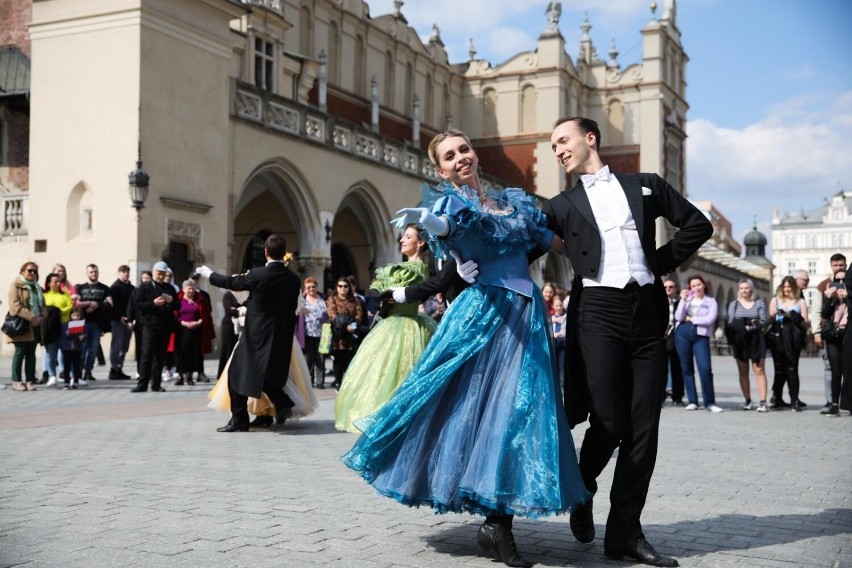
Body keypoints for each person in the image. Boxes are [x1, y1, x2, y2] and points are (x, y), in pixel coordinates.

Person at [343, 129, 589, 568]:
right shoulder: (449, 204)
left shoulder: (513, 201)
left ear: (474, 154)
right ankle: (498, 523)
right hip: (483, 312)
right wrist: (433, 222)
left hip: (526, 316)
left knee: (520, 411)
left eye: (464, 149)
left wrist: (605, 248)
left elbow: (555, 242)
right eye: (449, 156)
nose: (460, 158)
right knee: (471, 406)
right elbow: (448, 226)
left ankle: (497, 522)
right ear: (440, 170)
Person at [542, 117, 711, 567]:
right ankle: (582, 487)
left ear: (589, 138)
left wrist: (658, 262)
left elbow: (697, 224)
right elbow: (519, 246)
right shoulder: (560, 205)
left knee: (644, 431)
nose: (557, 149)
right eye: (552, 145)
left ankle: (625, 534)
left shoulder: (646, 185)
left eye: (563, 140)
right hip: (597, 311)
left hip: (647, 313)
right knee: (610, 420)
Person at [334, 225, 437, 433]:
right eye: (403, 237)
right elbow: (379, 286)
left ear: (421, 242)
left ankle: (398, 422)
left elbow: (388, 290)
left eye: (408, 237)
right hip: (391, 323)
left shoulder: (418, 269)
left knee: (400, 374)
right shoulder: (400, 268)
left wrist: (382, 291)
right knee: (381, 375)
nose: (402, 240)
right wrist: (378, 290)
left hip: (407, 324)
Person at [195, 233, 302, 433]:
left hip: (257, 335)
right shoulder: (293, 279)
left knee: (236, 374)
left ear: (265, 252)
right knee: (266, 375)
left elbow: (230, 283)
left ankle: (240, 420)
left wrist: (208, 274)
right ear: (283, 253)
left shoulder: (257, 274)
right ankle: (283, 403)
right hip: (280, 335)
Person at [674, 275, 722, 413]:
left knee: (705, 368)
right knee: (686, 368)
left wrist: (691, 318)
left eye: (698, 285)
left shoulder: (711, 301)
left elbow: (710, 319)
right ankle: (692, 401)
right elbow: (678, 317)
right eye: (693, 286)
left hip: (701, 335)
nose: (696, 288)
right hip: (682, 333)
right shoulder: (687, 300)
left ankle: (710, 402)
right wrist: (683, 300)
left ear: (704, 285)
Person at [131, 261, 176, 393]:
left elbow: (178, 305)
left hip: (164, 326)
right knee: (147, 354)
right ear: (153, 272)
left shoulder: (169, 288)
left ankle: (156, 384)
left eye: (163, 274)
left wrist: (171, 301)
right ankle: (142, 384)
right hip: (149, 326)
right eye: (158, 273)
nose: (161, 276)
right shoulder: (144, 287)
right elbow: (138, 305)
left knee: (160, 356)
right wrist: (153, 303)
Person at [726, 278, 768, 412]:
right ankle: (748, 400)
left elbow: (763, 321)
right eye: (741, 288)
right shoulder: (734, 304)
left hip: (756, 339)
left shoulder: (759, 303)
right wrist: (743, 326)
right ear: (739, 290)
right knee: (743, 372)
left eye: (746, 288)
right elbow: (730, 322)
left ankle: (762, 402)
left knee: (759, 370)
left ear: (751, 289)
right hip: (740, 340)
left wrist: (751, 327)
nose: (744, 290)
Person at [768, 276, 809, 411]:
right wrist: (773, 314)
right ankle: (777, 398)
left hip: (793, 338)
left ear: (794, 288)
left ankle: (794, 399)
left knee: (792, 369)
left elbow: (805, 323)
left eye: (789, 287)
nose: (786, 289)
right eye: (784, 286)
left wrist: (791, 315)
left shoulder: (800, 301)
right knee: (779, 369)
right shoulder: (775, 300)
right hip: (777, 338)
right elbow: (769, 318)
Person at [6, 262, 46, 391]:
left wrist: (41, 317)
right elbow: (15, 305)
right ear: (23, 271)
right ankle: (16, 380)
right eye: (30, 271)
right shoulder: (16, 285)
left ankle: (29, 380)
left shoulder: (37, 287)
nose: (33, 273)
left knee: (31, 353)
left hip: (35, 325)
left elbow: (43, 306)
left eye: (35, 271)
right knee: (19, 352)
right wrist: (31, 317)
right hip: (22, 324)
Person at [815, 254, 846, 409]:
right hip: (832, 333)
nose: (839, 268)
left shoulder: (850, 284)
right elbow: (822, 313)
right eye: (835, 265)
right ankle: (834, 403)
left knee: (849, 371)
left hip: (848, 332)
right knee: (835, 370)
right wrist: (829, 297)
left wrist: (848, 295)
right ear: (831, 266)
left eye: (841, 265)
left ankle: (847, 403)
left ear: (846, 265)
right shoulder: (825, 285)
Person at [75, 264, 113, 383]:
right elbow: (76, 303)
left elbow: (110, 304)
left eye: (95, 272)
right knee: (82, 349)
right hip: (82, 323)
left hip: (97, 324)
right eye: (91, 272)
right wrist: (89, 303)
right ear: (87, 273)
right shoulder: (80, 288)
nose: (94, 274)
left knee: (93, 349)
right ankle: (78, 372)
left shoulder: (104, 288)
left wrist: (97, 305)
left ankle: (88, 372)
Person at [326, 277, 363, 390]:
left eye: (345, 286)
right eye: (340, 286)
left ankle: (347, 384)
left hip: (351, 335)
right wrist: (345, 324)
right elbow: (332, 315)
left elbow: (359, 316)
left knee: (349, 360)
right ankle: (338, 383)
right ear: (336, 287)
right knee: (338, 360)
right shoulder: (333, 299)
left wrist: (351, 326)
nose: (343, 288)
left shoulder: (355, 300)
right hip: (337, 335)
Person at [42, 272, 74, 387]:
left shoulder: (65, 294)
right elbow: (42, 309)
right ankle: (51, 376)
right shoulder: (44, 296)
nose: (57, 283)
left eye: (58, 281)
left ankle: (68, 375)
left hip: (63, 325)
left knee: (65, 351)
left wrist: (60, 311)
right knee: (50, 352)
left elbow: (69, 306)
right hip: (50, 327)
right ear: (49, 283)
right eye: (55, 281)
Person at [174, 280, 204, 386]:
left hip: (195, 330)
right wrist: (184, 323)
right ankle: (180, 376)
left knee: (192, 353)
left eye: (192, 288)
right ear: (183, 289)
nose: (191, 290)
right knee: (181, 353)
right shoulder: (179, 301)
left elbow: (204, 315)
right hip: (182, 330)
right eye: (188, 288)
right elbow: (175, 316)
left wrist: (199, 322)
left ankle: (190, 376)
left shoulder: (199, 301)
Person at [108, 265, 135, 380]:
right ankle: (113, 369)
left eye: (127, 271)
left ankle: (119, 367)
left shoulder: (132, 288)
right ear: (119, 273)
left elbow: (134, 305)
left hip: (129, 320)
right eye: (123, 272)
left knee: (125, 345)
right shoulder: (114, 288)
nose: (126, 274)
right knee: (116, 345)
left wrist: (131, 319)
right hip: (117, 320)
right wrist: (120, 317)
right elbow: (113, 306)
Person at [300, 277, 327, 388]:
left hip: (322, 334)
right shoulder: (302, 300)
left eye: (313, 286)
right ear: (305, 289)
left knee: (320, 359)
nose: (311, 289)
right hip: (307, 334)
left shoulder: (323, 299)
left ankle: (320, 382)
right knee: (308, 359)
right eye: (309, 287)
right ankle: (309, 382)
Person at [662, 277, 685, 406]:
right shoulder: (659, 302)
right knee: (661, 367)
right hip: (662, 337)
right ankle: (661, 396)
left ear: (675, 289)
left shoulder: (680, 302)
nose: (668, 289)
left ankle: (678, 396)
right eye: (665, 287)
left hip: (676, 336)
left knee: (677, 367)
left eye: (671, 287)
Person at [216, 290, 245, 380]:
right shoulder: (227, 295)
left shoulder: (244, 296)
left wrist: (237, 310)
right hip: (229, 326)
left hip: (241, 327)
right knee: (228, 350)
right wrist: (241, 311)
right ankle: (225, 375)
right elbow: (229, 310)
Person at [551, 293, 567, 382]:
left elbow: (565, 329)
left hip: (562, 342)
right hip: (553, 342)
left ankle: (562, 385)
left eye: (560, 305)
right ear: (553, 306)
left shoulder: (565, 316)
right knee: (554, 364)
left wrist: (558, 333)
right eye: (556, 305)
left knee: (562, 365)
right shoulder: (551, 317)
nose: (558, 307)